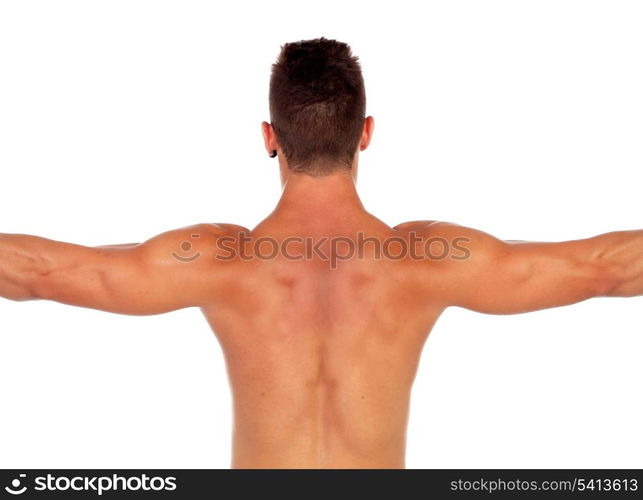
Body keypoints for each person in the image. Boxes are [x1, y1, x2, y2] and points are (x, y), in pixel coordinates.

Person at [1, 37, 641, 469]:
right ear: (366, 133)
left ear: (268, 138)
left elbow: (42, 273)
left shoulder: (216, 259)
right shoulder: (428, 257)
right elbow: (604, 269)